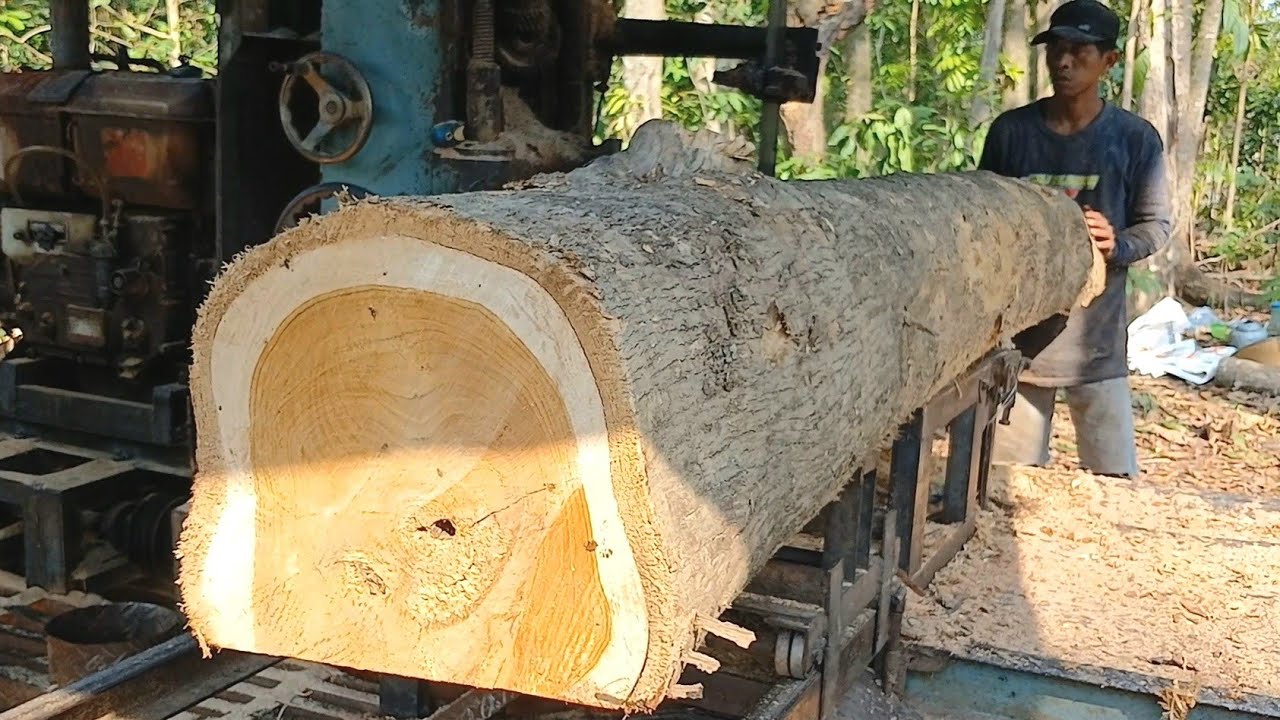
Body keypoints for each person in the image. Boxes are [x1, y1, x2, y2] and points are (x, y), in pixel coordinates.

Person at [978, 0, 1172, 478]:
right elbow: (982, 218)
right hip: (1021, 348)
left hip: (1097, 349)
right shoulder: (1012, 132)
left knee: (1114, 486)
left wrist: (1117, 244)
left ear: (1109, 61)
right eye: (1056, 50)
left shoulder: (1134, 139)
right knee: (1008, 488)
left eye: (1079, 52)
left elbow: (1156, 226)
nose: (1063, 62)